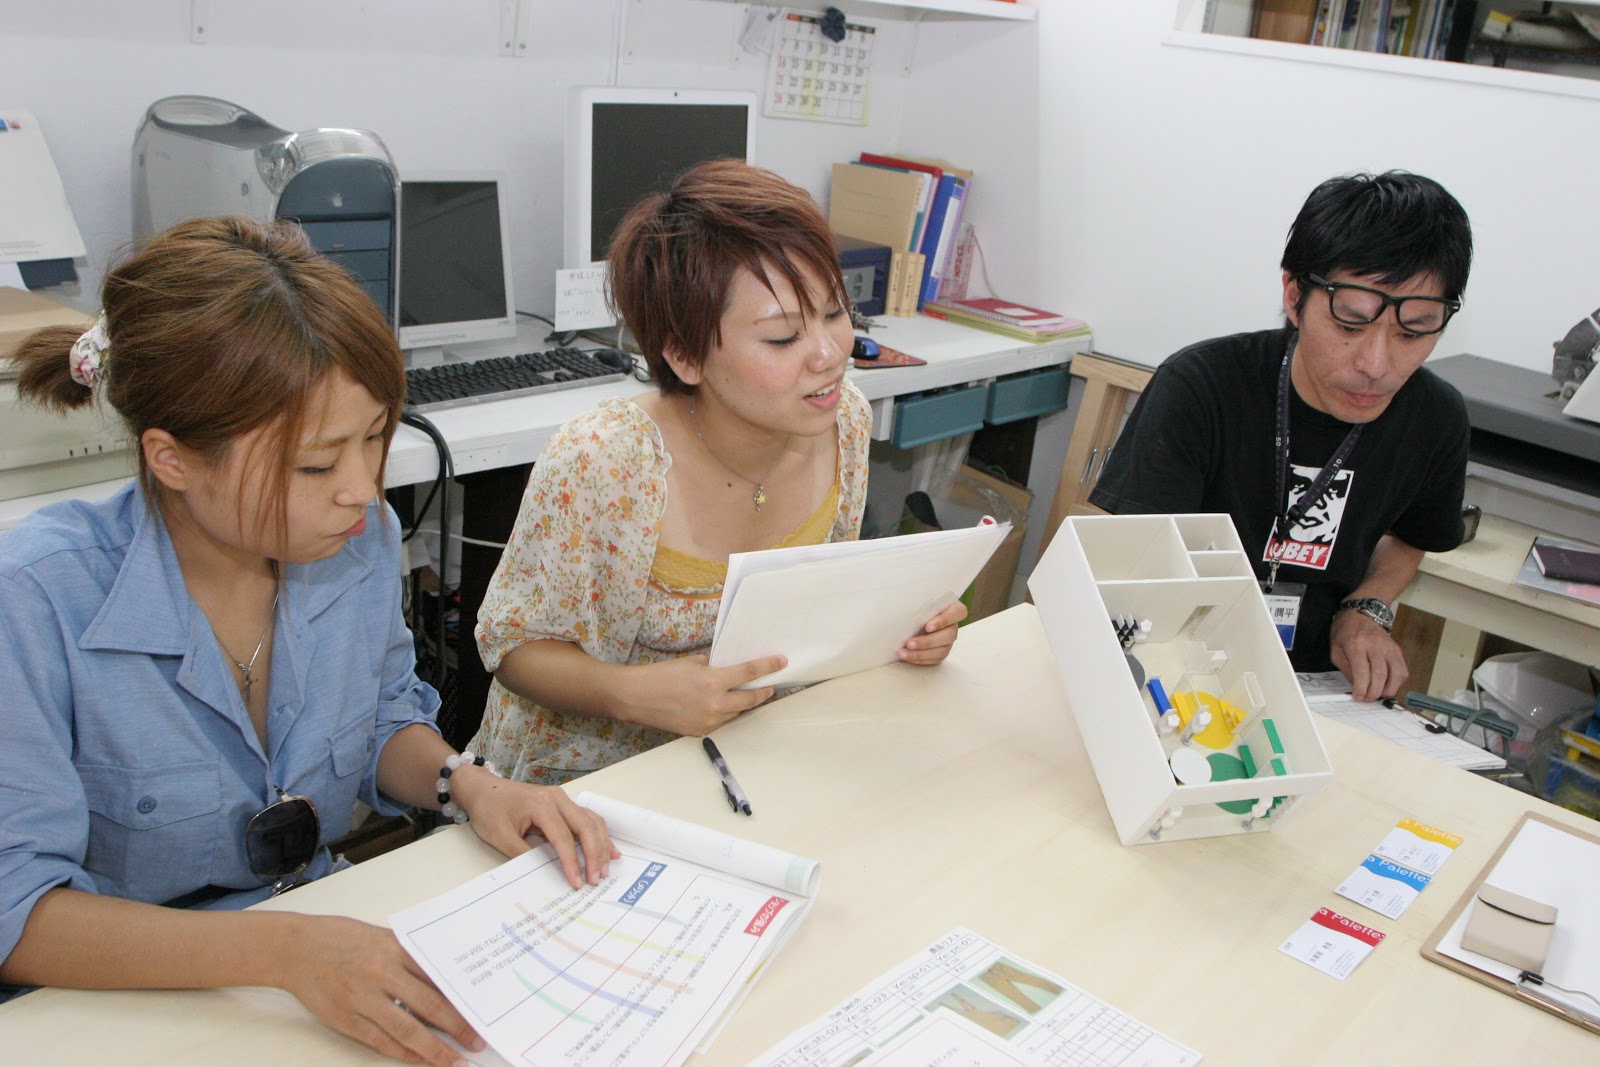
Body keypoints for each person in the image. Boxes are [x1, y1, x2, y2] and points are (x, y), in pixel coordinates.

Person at [0, 217, 615, 1067]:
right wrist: (285, 951)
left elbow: (377, 719)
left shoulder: (355, 542)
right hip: (120, 1008)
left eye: (375, 437)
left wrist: (469, 786)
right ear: (172, 459)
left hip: (317, 953)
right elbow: (19, 914)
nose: (361, 490)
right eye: (316, 465)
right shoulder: (36, 599)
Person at [469, 160, 967, 785]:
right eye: (782, 338)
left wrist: (902, 628)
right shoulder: (605, 460)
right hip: (592, 778)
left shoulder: (843, 420)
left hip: (756, 756)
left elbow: (819, 607)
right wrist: (632, 694)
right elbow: (513, 647)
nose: (829, 354)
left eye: (836, 312)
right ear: (686, 355)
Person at [1090, 171, 1473, 702]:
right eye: (1350, 325)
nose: (1377, 365)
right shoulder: (1200, 387)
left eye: (1413, 332)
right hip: (1176, 661)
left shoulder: (1436, 417)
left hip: (1319, 685)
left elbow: (1414, 535)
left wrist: (1365, 608)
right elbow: (1138, 566)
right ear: (1295, 296)